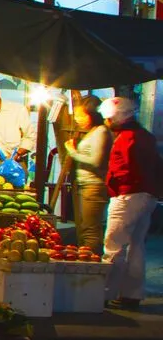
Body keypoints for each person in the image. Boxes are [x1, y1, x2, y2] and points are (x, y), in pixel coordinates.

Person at [102, 95, 161, 310]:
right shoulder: (145, 136)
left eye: (108, 119)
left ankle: (104, 294)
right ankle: (131, 295)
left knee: (114, 245)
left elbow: (125, 170)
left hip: (127, 196)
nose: (107, 122)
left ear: (116, 118)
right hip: (147, 196)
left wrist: (114, 187)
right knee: (136, 246)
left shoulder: (127, 139)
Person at [62, 95, 110, 255]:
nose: (77, 119)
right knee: (83, 228)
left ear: (93, 114)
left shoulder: (101, 131)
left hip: (93, 186)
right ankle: (84, 262)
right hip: (84, 185)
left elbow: (96, 161)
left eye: (81, 115)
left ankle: (92, 265)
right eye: (76, 115)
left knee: (90, 229)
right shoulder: (93, 131)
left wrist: (73, 152)